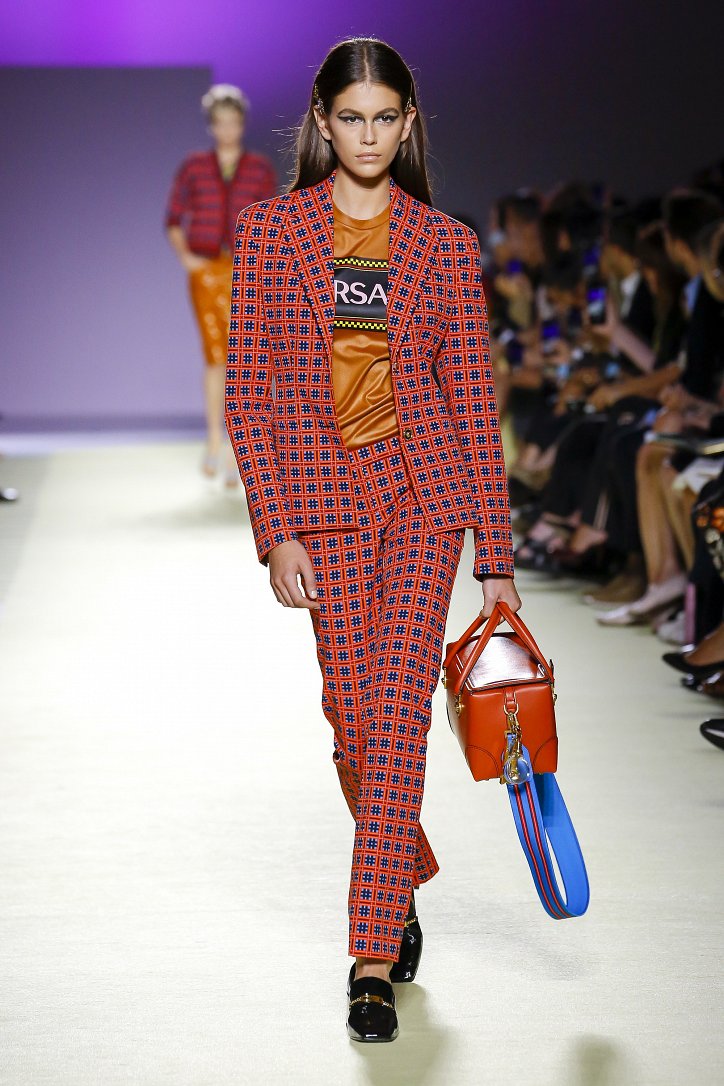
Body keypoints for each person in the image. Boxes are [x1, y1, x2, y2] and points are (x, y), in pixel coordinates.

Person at [223, 37, 520, 1042]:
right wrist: (275, 531)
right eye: (350, 118)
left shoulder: (446, 244)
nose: (367, 135)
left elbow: (471, 402)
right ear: (322, 121)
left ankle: (370, 957)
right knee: (353, 718)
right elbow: (249, 395)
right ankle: (403, 865)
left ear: (408, 123)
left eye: (384, 118)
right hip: (324, 500)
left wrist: (496, 560)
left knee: (395, 716)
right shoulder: (270, 233)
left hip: (424, 497)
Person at [165, 84, 277, 485]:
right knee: (216, 358)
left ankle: (236, 449)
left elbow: (270, 222)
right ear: (211, 126)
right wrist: (188, 260)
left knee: (246, 359)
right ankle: (215, 439)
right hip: (208, 271)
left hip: (248, 272)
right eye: (220, 122)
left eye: (233, 122)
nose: (227, 129)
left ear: (242, 124)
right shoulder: (194, 166)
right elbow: (173, 217)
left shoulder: (259, 169)